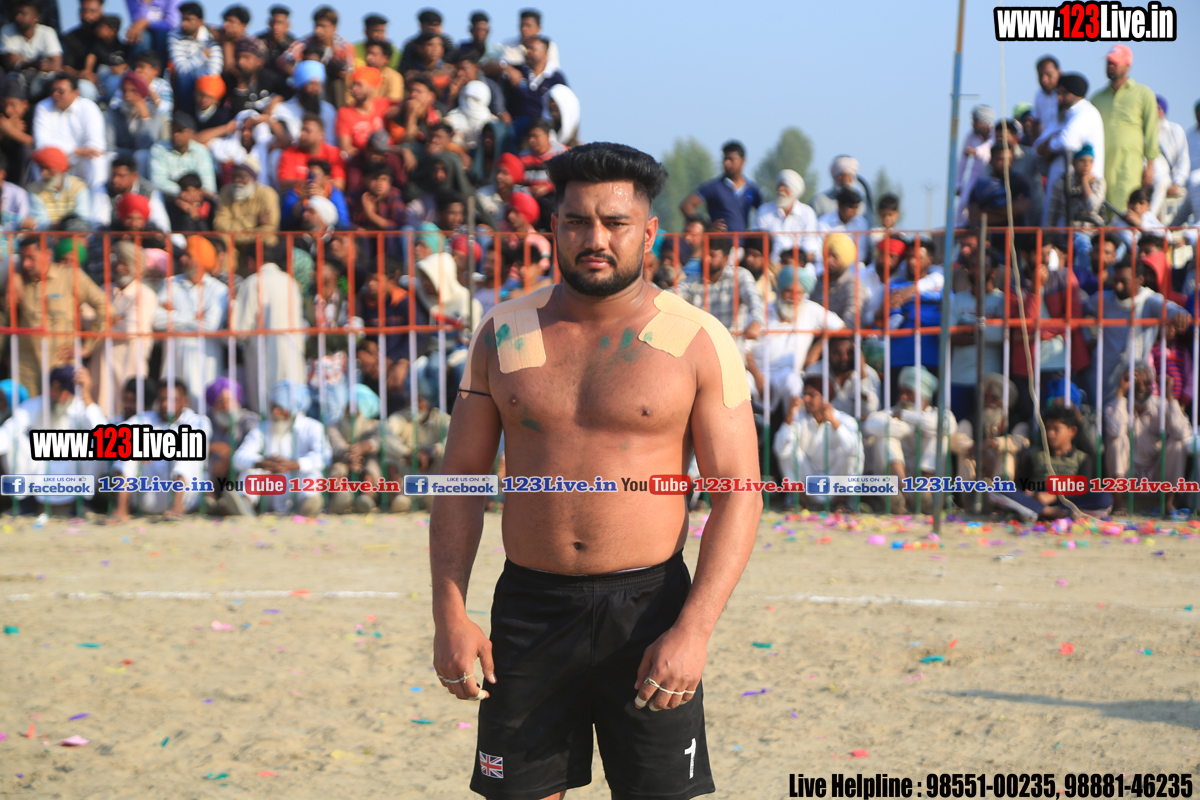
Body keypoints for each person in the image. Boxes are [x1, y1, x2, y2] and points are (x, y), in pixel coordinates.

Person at [431, 141, 759, 798]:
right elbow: (460, 481)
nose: (596, 239)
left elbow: (739, 496)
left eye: (616, 223)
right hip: (530, 610)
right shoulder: (504, 331)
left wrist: (693, 632)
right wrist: (450, 616)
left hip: (648, 613)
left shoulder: (697, 340)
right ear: (555, 227)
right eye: (578, 221)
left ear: (650, 232)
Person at [1083, 258, 1190, 405]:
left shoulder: (1149, 300)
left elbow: (1170, 308)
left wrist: (1181, 315)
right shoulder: (1104, 300)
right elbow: (1075, 311)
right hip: (1102, 377)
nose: (1118, 286)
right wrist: (1088, 338)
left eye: (1124, 281)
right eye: (1116, 281)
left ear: (1139, 280)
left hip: (1134, 378)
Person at [0, 367, 107, 514]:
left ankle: (83, 503)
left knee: (96, 443)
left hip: (72, 471)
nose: (54, 394)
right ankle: (24, 503)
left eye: (61, 389)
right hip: (39, 470)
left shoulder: (81, 407)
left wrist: (86, 395)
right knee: (14, 440)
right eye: (52, 387)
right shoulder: (34, 405)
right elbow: (10, 428)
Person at [745, 265, 843, 416]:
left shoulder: (810, 310)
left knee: (793, 382)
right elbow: (743, 350)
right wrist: (758, 377)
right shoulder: (762, 312)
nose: (793, 297)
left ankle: (792, 427)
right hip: (756, 372)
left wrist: (817, 348)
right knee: (741, 383)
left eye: (799, 293)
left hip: (787, 374)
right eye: (788, 291)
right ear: (779, 291)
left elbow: (841, 328)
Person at [110, 378, 212, 521]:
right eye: (162, 400)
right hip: (149, 493)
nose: (165, 404)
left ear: (185, 402)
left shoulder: (198, 420)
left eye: (171, 400)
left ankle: (177, 507)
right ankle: (121, 509)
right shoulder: (145, 418)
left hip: (186, 496)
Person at [231, 379, 331, 515]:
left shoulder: (312, 427)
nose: (275, 412)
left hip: (296, 487)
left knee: (312, 474)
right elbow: (238, 457)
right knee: (250, 471)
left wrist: (295, 465)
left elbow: (324, 456)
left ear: (294, 409)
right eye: (273, 406)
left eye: (281, 407)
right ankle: (244, 504)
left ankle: (309, 505)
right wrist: (262, 463)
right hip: (271, 488)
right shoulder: (262, 429)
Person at [863, 365, 954, 513]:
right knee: (885, 438)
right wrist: (912, 427)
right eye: (902, 392)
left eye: (909, 392)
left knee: (939, 437)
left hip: (929, 488)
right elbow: (870, 424)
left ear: (924, 395)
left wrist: (906, 417)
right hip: (897, 485)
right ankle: (902, 492)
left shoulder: (939, 414)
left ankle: (925, 493)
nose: (903, 397)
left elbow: (946, 426)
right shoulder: (892, 412)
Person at [153, 236, 228, 411]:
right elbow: (156, 320)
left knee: (202, 406)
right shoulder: (171, 283)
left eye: (188, 255)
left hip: (204, 360)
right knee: (170, 407)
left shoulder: (219, 290)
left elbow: (210, 326)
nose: (182, 259)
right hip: (173, 359)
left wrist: (172, 316)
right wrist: (193, 317)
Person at [1103, 362, 1189, 513]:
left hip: (1155, 475)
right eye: (1136, 384)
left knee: (1177, 444)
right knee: (1117, 441)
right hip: (1127, 477)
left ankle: (1168, 503)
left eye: (1147, 383)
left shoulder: (1161, 405)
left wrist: (1170, 396)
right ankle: (1118, 502)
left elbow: (1183, 433)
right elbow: (1115, 432)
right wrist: (1120, 393)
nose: (1142, 388)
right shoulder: (1115, 405)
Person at [232, 245, 306, 415]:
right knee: (292, 407)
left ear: (251, 261)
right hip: (292, 351)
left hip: (264, 354)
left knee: (266, 410)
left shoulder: (253, 282)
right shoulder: (291, 281)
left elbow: (239, 330)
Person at [89, 240, 160, 417]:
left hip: (129, 365)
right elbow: (85, 318)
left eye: (124, 263)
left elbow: (130, 329)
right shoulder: (104, 289)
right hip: (101, 365)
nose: (119, 268)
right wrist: (113, 320)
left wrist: (102, 321)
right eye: (117, 262)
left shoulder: (145, 294)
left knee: (129, 413)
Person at [1091, 44, 1159, 214]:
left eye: (1115, 62)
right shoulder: (1096, 99)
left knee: (1125, 213)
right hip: (1102, 167)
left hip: (1129, 166)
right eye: (1108, 62)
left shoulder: (1143, 94)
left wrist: (1150, 166)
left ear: (1127, 66)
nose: (1110, 65)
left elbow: (1151, 132)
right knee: (1103, 213)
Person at [774, 374, 864, 498]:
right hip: (807, 485)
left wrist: (834, 422)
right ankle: (799, 499)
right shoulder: (798, 419)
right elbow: (780, 450)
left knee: (852, 454)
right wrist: (790, 416)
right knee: (787, 450)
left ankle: (842, 500)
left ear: (826, 398)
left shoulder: (845, 420)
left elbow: (852, 450)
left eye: (812, 395)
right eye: (805, 394)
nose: (806, 399)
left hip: (835, 486)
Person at [1034, 72, 1105, 226]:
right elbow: (1038, 146)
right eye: (1058, 93)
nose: (1059, 98)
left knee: (1077, 232)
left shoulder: (1086, 112)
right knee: (1051, 230)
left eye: (1064, 93)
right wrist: (1052, 143)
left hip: (1082, 189)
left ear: (1076, 95)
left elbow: (1067, 141)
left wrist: (1050, 147)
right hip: (1060, 187)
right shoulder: (1065, 115)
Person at [32, 73, 109, 210]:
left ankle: (98, 216)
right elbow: (41, 144)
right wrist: (76, 150)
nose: (55, 94)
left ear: (75, 93)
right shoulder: (43, 107)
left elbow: (96, 147)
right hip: (56, 161)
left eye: (60, 91)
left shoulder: (89, 107)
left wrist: (73, 152)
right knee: (39, 162)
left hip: (81, 162)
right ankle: (42, 213)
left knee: (97, 161)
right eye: (53, 91)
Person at [948, 249, 1005, 427]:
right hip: (959, 381)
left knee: (988, 431)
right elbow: (949, 337)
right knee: (958, 432)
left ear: (994, 272)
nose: (977, 270)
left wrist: (967, 329)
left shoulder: (1001, 300)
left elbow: (1002, 336)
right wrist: (985, 332)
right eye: (973, 265)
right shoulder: (956, 300)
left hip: (991, 384)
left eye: (983, 266)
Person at [678, 234, 765, 338]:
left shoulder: (740, 276)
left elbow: (754, 299)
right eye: (704, 254)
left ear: (726, 259)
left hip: (733, 345)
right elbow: (671, 295)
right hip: (703, 345)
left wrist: (756, 322)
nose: (706, 259)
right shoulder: (691, 282)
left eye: (712, 255)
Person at [277, 6, 355, 108]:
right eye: (316, 25)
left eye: (323, 26)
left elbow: (350, 73)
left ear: (334, 27)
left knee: (337, 83)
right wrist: (302, 74)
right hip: (308, 87)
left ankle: (339, 111)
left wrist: (337, 72)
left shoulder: (344, 47)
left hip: (332, 89)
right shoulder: (305, 43)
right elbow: (283, 61)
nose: (318, 30)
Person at [325, 383, 385, 514]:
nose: (349, 413)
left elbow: (379, 441)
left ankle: (367, 497)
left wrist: (365, 446)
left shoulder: (376, 426)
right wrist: (350, 454)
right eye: (347, 408)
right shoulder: (334, 425)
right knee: (337, 468)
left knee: (372, 466)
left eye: (355, 408)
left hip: (366, 460)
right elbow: (336, 443)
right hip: (344, 458)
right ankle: (339, 498)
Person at [493, 35, 565, 142]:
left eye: (532, 49)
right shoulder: (518, 70)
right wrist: (507, 69)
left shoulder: (555, 77)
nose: (528, 52)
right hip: (516, 125)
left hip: (543, 127)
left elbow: (565, 106)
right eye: (527, 49)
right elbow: (486, 66)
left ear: (544, 53)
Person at [680, 140, 762, 232]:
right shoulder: (714, 187)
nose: (726, 163)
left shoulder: (752, 189)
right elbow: (687, 205)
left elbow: (764, 212)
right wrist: (704, 229)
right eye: (725, 159)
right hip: (719, 241)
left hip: (743, 240)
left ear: (743, 160)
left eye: (731, 159)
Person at [214, 156, 280, 261]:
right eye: (234, 176)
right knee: (223, 242)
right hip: (234, 243)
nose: (237, 181)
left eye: (242, 177)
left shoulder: (268, 194)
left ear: (253, 179)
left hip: (256, 242)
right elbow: (220, 225)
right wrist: (253, 220)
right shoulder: (226, 192)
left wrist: (239, 236)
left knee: (268, 240)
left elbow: (270, 228)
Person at [754, 169, 819, 264]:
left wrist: (793, 263)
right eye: (779, 185)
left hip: (800, 267)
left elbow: (809, 249)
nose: (780, 189)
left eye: (785, 186)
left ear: (794, 190)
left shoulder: (807, 213)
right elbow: (757, 244)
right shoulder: (764, 210)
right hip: (770, 267)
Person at [168, 2, 223, 113]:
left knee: (211, 85)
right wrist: (201, 56)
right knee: (184, 80)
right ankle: (185, 115)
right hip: (186, 82)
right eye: (182, 19)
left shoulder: (212, 36)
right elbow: (181, 69)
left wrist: (199, 78)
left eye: (189, 20)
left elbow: (215, 70)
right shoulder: (174, 35)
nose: (184, 24)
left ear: (200, 21)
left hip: (206, 81)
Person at [148, 111, 216, 201]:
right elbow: (158, 181)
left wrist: (192, 195)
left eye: (180, 131)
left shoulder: (201, 151)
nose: (175, 134)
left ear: (191, 133)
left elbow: (209, 185)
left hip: (198, 198)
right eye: (173, 130)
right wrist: (183, 193)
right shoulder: (159, 149)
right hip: (170, 198)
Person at [1, 0, 63, 97]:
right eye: (16, 13)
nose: (18, 17)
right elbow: (9, 62)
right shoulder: (7, 30)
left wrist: (22, 62)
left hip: (40, 80)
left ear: (36, 18)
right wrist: (37, 64)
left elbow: (56, 65)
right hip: (17, 79)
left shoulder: (48, 32)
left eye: (23, 14)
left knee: (53, 80)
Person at [105, 72, 168, 165]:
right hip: (121, 161)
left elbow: (146, 146)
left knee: (142, 155)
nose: (127, 95)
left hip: (143, 162)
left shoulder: (154, 114)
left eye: (133, 91)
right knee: (107, 156)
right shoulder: (115, 113)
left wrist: (145, 118)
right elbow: (109, 147)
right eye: (124, 91)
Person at [811, 232, 868, 329]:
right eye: (827, 255)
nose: (828, 260)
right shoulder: (818, 281)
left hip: (838, 336)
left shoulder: (854, 287)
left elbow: (849, 325)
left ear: (844, 258)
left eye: (834, 256)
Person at [277, 113, 344, 193]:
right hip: (298, 196)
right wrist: (311, 184)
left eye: (307, 131)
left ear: (320, 135)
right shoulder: (290, 152)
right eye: (302, 130)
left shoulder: (333, 153)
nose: (302, 134)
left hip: (325, 196)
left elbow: (339, 185)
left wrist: (318, 188)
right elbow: (284, 183)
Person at [26, 146, 91, 229]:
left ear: (59, 169)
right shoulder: (35, 189)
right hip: (48, 236)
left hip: (74, 235)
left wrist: (65, 225)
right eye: (41, 168)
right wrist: (60, 225)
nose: (43, 173)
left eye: (47, 168)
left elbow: (83, 219)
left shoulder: (78, 187)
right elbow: (39, 222)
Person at [277, 60, 338, 148]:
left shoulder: (328, 110)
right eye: (311, 84)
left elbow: (331, 143)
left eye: (318, 84)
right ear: (300, 85)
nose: (315, 89)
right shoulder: (282, 110)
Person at [336, 66, 393, 157]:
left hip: (388, 158)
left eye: (359, 85)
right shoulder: (344, 113)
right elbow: (345, 148)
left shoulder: (385, 104)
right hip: (361, 161)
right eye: (353, 85)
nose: (354, 89)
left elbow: (405, 103)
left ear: (372, 88)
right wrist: (371, 156)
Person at [1045, 144, 1106, 227]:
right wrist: (1048, 234)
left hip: (1093, 231)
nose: (1086, 164)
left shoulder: (1098, 182)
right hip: (1071, 231)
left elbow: (1093, 208)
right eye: (1082, 160)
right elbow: (1053, 214)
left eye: (1090, 161)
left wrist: (1085, 182)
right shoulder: (1062, 183)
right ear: (1073, 162)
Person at [954, 105, 996, 226]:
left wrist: (976, 152)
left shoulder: (995, 134)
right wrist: (958, 183)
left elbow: (989, 149)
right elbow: (962, 161)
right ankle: (959, 230)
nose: (973, 124)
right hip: (974, 176)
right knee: (963, 203)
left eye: (976, 120)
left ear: (985, 121)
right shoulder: (970, 136)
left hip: (990, 177)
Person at [1151, 94, 1190, 221]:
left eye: (1157, 108)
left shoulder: (1175, 130)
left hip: (1167, 177)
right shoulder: (1143, 130)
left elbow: (1183, 160)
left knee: (1161, 182)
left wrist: (1177, 182)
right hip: (1148, 176)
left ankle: (1148, 218)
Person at [281, 158, 348, 231]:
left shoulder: (334, 193)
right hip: (301, 234)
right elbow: (285, 223)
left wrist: (324, 201)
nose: (311, 180)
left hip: (327, 234)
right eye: (308, 175)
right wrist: (300, 204)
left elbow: (343, 224)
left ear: (326, 178)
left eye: (315, 176)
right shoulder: (296, 191)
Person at [817, 187, 870, 273]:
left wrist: (843, 263)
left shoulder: (862, 223)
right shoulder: (823, 222)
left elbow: (861, 254)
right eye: (851, 207)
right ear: (840, 205)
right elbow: (818, 252)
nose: (855, 211)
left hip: (852, 266)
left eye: (856, 207)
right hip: (828, 264)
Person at [61, 0, 104, 98]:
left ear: (101, 13)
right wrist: (81, 75)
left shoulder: (109, 35)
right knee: (84, 88)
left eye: (92, 11)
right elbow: (65, 68)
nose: (87, 16)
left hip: (105, 81)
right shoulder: (70, 38)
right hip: (82, 82)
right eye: (84, 11)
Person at [396, 9, 455, 76]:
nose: (434, 28)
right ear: (422, 25)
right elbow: (404, 67)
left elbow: (454, 59)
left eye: (437, 25)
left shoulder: (446, 42)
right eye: (431, 25)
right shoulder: (412, 44)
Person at [811, 155, 865, 221]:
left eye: (849, 176)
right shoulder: (819, 201)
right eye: (841, 175)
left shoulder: (862, 203)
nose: (845, 180)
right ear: (834, 176)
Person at [1030, 55, 1061, 142]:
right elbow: (1035, 122)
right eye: (1040, 76)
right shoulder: (1039, 94)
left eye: (1049, 75)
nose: (1044, 80)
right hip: (1046, 144)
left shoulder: (1066, 94)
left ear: (1059, 73)